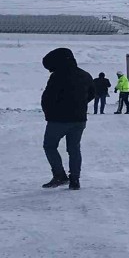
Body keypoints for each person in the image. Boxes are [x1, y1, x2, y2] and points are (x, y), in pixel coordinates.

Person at [41, 48, 95, 190]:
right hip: (79, 120)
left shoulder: (57, 77)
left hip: (58, 120)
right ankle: (75, 180)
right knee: (74, 149)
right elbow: (92, 94)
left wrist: (49, 112)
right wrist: (80, 105)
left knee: (50, 146)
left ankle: (59, 175)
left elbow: (48, 98)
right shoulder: (85, 75)